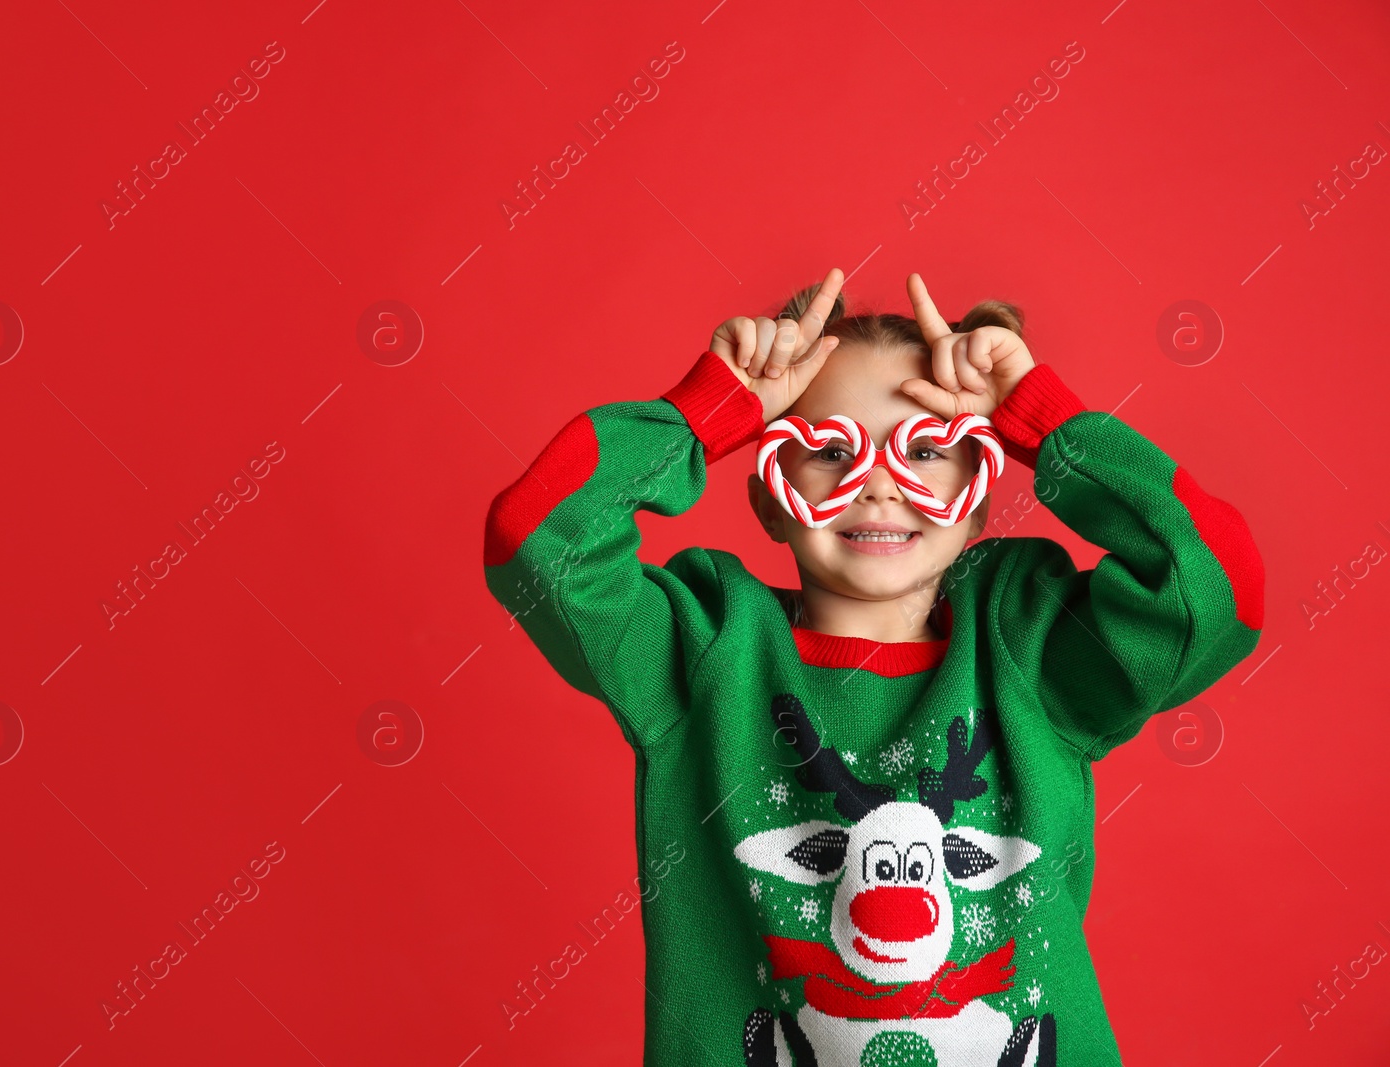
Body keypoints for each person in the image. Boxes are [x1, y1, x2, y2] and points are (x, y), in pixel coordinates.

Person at [480, 267, 1264, 1066]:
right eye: (828, 452)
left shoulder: (1032, 650)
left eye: (927, 449)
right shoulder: (702, 651)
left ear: (981, 492)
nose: (882, 484)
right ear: (772, 497)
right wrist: (707, 411)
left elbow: (1214, 585)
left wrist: (1041, 418)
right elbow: (538, 536)